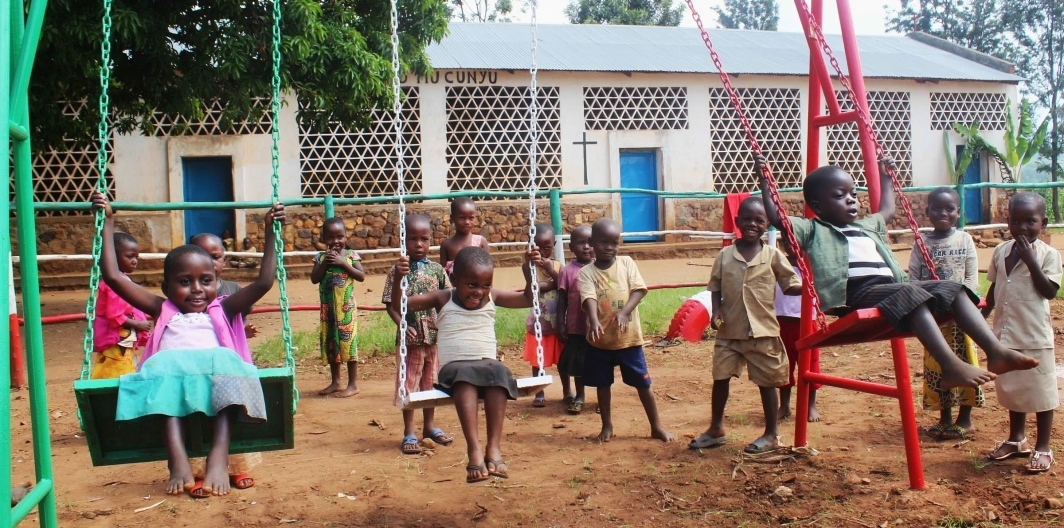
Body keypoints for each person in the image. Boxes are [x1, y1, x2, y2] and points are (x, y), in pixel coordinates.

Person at [756, 155, 1037, 389]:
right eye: (840, 196)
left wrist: (887, 177)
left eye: (854, 194)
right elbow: (777, 216)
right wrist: (765, 179)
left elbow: (888, 209)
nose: (851, 200)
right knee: (909, 292)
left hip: (889, 288)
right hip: (854, 292)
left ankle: (995, 351)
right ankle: (950, 365)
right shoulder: (812, 228)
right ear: (817, 206)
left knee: (950, 288)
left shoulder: (867, 225)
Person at [91, 191, 284, 498]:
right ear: (167, 287)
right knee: (165, 373)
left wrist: (272, 232)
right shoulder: (161, 308)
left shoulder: (224, 307)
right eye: (184, 281)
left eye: (205, 280)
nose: (196, 289)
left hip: (214, 380)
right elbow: (113, 277)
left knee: (227, 369)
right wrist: (108, 222)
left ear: (215, 282)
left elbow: (264, 282)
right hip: (174, 381)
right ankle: (177, 458)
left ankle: (219, 456)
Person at [391, 246, 545, 483]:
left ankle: (493, 448)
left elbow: (528, 298)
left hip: (487, 365)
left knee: (500, 373)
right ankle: (474, 448)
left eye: (485, 285)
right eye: (471, 285)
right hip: (455, 369)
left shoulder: (493, 297)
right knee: (465, 377)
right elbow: (402, 304)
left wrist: (528, 270)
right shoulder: (442, 297)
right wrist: (399, 279)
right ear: (453, 279)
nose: (479, 292)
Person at [689, 198, 801, 453]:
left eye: (759, 220)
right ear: (737, 221)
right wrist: (716, 311)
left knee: (767, 382)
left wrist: (808, 289)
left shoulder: (773, 255)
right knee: (720, 378)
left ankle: (771, 433)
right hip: (730, 330)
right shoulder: (725, 255)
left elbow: (790, 283)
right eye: (747, 219)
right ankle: (716, 428)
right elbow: (715, 287)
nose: (752, 224)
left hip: (763, 331)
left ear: (766, 225)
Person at [983, 193, 1060, 473]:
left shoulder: (1049, 255)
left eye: (1030, 221)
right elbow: (993, 291)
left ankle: (1043, 447)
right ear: (1008, 222)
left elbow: (1049, 291)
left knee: (1041, 392)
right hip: (1005, 335)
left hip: (1034, 336)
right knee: (1012, 388)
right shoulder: (1001, 251)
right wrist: (979, 319)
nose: (1023, 227)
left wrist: (1031, 262)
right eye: (1016, 221)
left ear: (1043, 222)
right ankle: (1017, 440)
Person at [580, 218, 674, 443]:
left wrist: (623, 313)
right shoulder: (586, 272)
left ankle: (656, 426)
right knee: (603, 385)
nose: (610, 247)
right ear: (592, 243)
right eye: (604, 242)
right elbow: (589, 297)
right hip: (600, 340)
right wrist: (593, 320)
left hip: (629, 339)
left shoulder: (626, 263)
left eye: (615, 242)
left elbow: (639, 290)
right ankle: (607, 425)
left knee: (643, 384)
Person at [907, 187, 983, 441]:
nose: (943, 212)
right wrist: (931, 306)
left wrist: (962, 302)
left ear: (958, 213)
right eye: (937, 208)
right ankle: (945, 419)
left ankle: (965, 419)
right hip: (934, 318)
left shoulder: (964, 240)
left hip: (962, 317)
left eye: (950, 208)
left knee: (967, 364)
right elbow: (914, 278)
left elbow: (972, 277)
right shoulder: (922, 243)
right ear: (927, 212)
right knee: (938, 367)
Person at [190, 232, 262, 489]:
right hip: (198, 367)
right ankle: (199, 473)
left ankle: (237, 469)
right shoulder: (186, 291)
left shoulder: (232, 289)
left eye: (215, 257)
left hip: (229, 364)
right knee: (198, 415)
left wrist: (245, 330)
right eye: (201, 256)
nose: (209, 262)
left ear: (225, 259)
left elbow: (236, 322)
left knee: (233, 412)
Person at [382, 214, 454, 455]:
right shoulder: (397, 270)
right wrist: (402, 324)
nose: (419, 244)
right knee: (409, 385)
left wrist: (445, 326)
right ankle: (409, 431)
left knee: (430, 384)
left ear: (431, 240)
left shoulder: (437, 270)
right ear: (403, 240)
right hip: (410, 341)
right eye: (413, 239)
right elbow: (391, 306)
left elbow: (447, 301)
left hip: (433, 338)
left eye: (424, 239)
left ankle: (429, 427)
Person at [311, 217, 365, 398]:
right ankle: (335, 381)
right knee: (332, 344)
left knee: (348, 345)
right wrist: (326, 261)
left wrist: (343, 263)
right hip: (328, 310)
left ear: (346, 236)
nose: (336, 241)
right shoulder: (320, 257)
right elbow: (314, 278)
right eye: (331, 237)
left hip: (346, 310)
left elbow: (361, 276)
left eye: (340, 237)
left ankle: (353, 384)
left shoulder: (351, 255)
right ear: (324, 238)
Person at [91, 231, 151, 379]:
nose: (134, 261)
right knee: (120, 373)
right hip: (116, 342)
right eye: (129, 256)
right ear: (113, 257)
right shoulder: (116, 284)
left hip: (120, 341)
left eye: (136, 257)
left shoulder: (122, 279)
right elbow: (114, 316)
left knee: (122, 368)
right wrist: (138, 325)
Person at [775, 239, 821, 423]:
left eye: (797, 241)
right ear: (781, 242)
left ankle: (811, 405)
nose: (792, 245)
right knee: (784, 365)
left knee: (810, 364)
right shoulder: (778, 263)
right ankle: (784, 405)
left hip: (807, 322)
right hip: (781, 321)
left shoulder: (812, 264)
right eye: (787, 240)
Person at [556, 224, 593, 415]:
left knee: (600, 363)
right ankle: (579, 395)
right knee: (577, 363)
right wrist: (560, 323)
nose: (586, 247)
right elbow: (562, 299)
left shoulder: (601, 268)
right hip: (576, 327)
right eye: (581, 243)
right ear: (571, 248)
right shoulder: (567, 271)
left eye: (590, 242)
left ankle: (604, 397)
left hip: (598, 328)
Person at [525, 223, 563, 407]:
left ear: (554, 245)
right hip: (538, 323)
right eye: (537, 247)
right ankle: (538, 392)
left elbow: (562, 284)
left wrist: (549, 270)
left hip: (557, 322)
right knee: (537, 361)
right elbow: (533, 288)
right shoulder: (528, 267)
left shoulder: (557, 266)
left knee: (563, 361)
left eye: (547, 247)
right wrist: (549, 283)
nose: (542, 251)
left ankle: (568, 391)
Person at [439, 197, 490, 278]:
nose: (467, 222)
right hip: (454, 289)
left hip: (476, 288)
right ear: (452, 219)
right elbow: (442, 273)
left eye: (471, 218)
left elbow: (488, 269)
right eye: (462, 218)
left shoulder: (481, 242)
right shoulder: (447, 245)